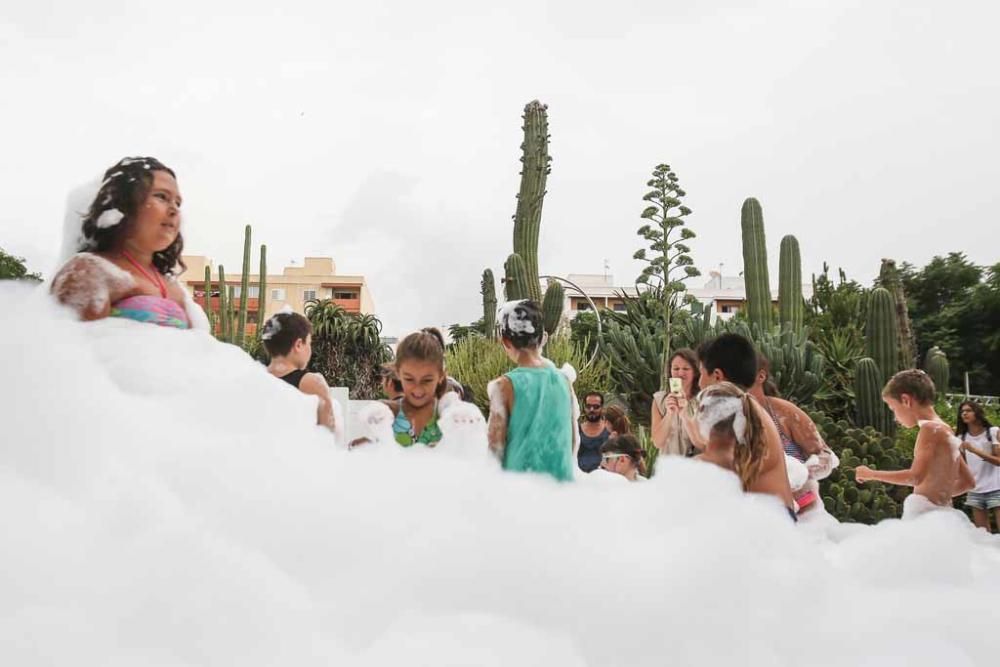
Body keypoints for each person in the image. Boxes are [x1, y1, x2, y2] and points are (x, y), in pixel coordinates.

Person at [50, 157, 206, 329]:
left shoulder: (174, 286)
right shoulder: (88, 270)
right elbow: (71, 348)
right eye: (161, 197)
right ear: (124, 203)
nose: (174, 210)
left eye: (177, 202)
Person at [676, 334, 795, 517]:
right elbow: (709, 445)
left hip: (765, 523)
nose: (699, 383)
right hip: (776, 518)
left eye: (701, 374)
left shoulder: (733, 408)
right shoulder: (747, 406)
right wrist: (684, 414)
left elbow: (719, 459)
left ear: (717, 376)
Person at [855, 370, 975, 520]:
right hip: (941, 516)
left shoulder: (930, 429)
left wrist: (871, 474)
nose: (894, 417)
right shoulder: (945, 429)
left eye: (892, 408)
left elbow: (915, 477)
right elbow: (968, 482)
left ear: (906, 400)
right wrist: (937, 501)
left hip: (923, 518)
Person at [486, 300, 576, 482]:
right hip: (563, 489)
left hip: (520, 491)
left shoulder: (504, 385)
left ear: (505, 341)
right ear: (541, 337)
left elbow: (494, 447)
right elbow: (572, 442)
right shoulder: (564, 380)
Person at [750, 354, 838, 515]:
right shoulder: (729, 417)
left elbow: (826, 455)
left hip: (805, 515)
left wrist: (802, 474)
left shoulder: (783, 412)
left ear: (760, 376)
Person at [262, 311, 334, 429]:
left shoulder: (254, 379)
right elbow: (330, 439)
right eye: (309, 343)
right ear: (299, 345)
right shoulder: (311, 382)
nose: (310, 350)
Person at [384, 328, 451, 447]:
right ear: (398, 373)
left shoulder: (449, 417)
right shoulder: (386, 414)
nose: (418, 389)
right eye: (409, 379)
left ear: (441, 375)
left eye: (427, 380)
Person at [956, 400, 1000, 531]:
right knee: (982, 535)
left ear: (977, 413)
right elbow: (962, 466)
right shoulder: (961, 438)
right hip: (975, 490)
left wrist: (975, 450)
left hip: (996, 487)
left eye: (968, 410)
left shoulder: (992, 432)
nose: (964, 413)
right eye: (962, 411)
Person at [651, 348, 700, 457]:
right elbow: (657, 442)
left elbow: (704, 443)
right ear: (670, 371)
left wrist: (686, 413)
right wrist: (669, 414)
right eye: (676, 368)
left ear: (695, 372)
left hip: (696, 467)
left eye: (686, 369)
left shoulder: (702, 401)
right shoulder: (660, 400)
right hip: (669, 467)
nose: (680, 373)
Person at [578, 391, 610, 472]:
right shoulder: (577, 431)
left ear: (602, 407)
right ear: (584, 407)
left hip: (603, 478)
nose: (591, 410)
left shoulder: (609, 431)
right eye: (588, 406)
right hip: (580, 478)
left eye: (596, 406)